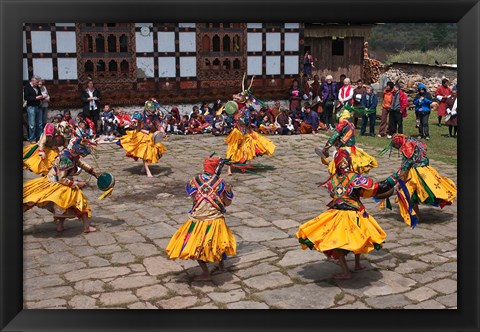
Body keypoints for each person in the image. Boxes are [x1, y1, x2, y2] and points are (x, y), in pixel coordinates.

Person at [296, 149, 398, 280]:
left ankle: (350, 269)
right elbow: (380, 188)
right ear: (350, 162)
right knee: (357, 238)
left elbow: (335, 194)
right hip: (355, 214)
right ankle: (353, 267)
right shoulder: (355, 178)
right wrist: (396, 177)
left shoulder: (331, 180)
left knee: (338, 242)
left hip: (337, 214)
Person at [165, 157, 236, 281]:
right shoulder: (221, 183)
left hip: (198, 219)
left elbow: (194, 199)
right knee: (218, 243)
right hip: (215, 219)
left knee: (195, 245)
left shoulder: (194, 181)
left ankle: (206, 273)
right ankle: (221, 266)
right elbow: (227, 202)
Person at [23, 137, 99, 233]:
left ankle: (60, 226)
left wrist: (93, 172)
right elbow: (61, 179)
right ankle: (86, 227)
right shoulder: (65, 159)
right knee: (81, 202)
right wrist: (77, 183)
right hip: (57, 183)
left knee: (62, 205)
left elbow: (80, 163)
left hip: (59, 182)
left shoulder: (72, 153)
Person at [380, 134, 457, 228]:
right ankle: (418, 214)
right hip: (426, 169)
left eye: (396, 147)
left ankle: (417, 216)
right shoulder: (414, 142)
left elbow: (405, 167)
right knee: (421, 190)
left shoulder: (407, 148)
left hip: (416, 172)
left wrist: (399, 183)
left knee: (408, 192)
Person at [225, 74, 276, 175]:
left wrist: (238, 117)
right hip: (237, 132)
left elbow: (246, 121)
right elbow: (229, 120)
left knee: (246, 149)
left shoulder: (246, 110)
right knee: (232, 149)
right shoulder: (235, 109)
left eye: (240, 97)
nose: (237, 97)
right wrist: (233, 115)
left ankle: (242, 164)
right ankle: (229, 168)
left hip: (245, 132)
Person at [318, 109, 378, 175]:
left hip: (344, 150)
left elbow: (333, 137)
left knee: (337, 167)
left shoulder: (342, 123)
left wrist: (326, 148)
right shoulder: (351, 124)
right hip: (352, 149)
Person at [118, 101, 168, 178]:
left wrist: (162, 132)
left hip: (151, 134)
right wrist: (131, 123)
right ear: (147, 110)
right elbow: (134, 123)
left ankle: (144, 167)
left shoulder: (154, 116)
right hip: (141, 134)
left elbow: (159, 125)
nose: (153, 112)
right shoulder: (140, 115)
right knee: (145, 152)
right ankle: (148, 171)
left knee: (154, 151)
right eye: (151, 110)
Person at [24, 75, 44, 144]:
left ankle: (39, 137)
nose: (38, 83)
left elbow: (40, 94)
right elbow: (26, 97)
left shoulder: (37, 87)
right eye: (37, 82)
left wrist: (41, 96)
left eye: (38, 82)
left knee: (39, 123)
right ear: (33, 80)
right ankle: (32, 138)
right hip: (31, 107)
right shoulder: (27, 87)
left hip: (38, 106)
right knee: (32, 124)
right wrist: (36, 98)